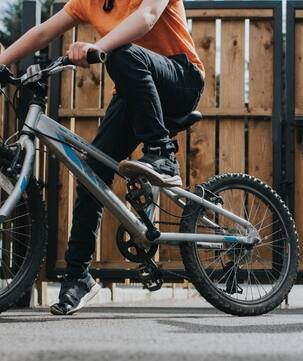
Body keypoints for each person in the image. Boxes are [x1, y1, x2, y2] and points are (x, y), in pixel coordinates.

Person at [0, 0, 205, 315]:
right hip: (134, 88)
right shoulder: (88, 2)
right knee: (91, 174)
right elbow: (42, 32)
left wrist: (97, 47)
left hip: (181, 78)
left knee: (121, 52)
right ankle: (78, 276)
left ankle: (162, 154)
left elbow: (147, 16)